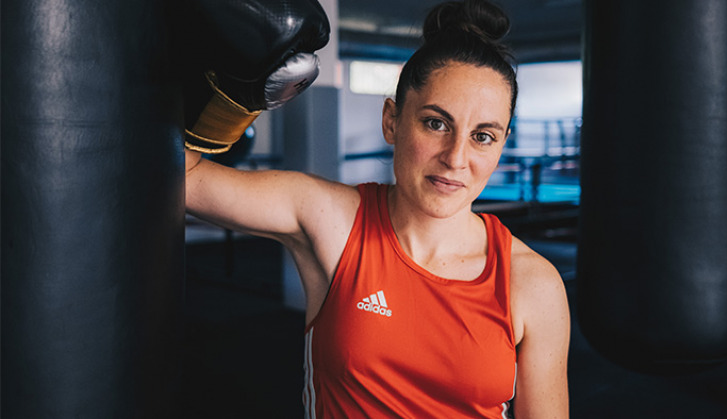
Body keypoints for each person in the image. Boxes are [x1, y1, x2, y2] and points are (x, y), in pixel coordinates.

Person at [185, 0, 570, 416]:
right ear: (392, 120)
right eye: (436, 123)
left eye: (483, 136)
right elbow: (182, 180)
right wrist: (233, 103)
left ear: (502, 143)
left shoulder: (532, 285)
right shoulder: (329, 218)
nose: (456, 158)